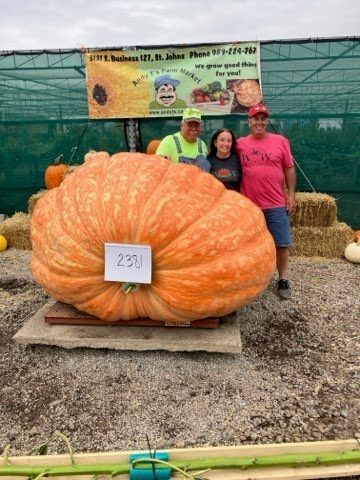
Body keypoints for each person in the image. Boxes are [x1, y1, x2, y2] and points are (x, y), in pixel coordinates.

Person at [236, 103, 296, 299]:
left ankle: (283, 279)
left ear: (267, 121)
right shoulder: (240, 144)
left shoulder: (280, 141)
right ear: (249, 121)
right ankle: (250, 278)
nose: (259, 122)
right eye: (256, 118)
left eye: (263, 118)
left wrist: (291, 194)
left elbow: (289, 168)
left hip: (276, 203)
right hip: (249, 205)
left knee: (281, 243)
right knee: (248, 245)